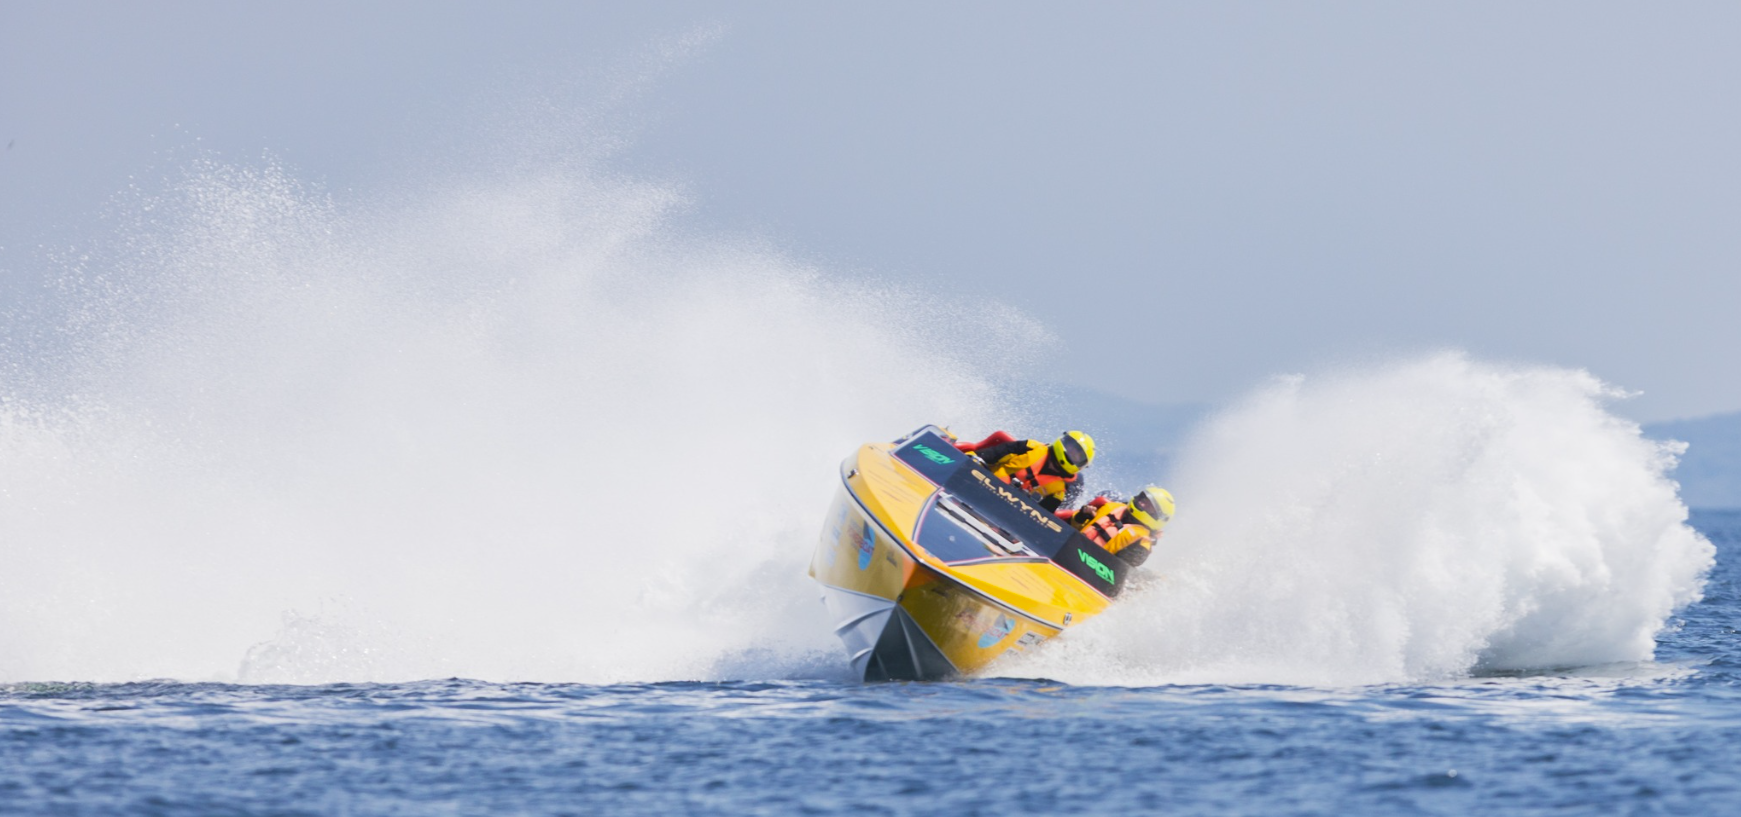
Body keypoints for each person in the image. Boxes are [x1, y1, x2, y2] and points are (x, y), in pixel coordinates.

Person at [955, 430, 1096, 512]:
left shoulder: (1059, 491)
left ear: (1081, 464)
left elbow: (1042, 520)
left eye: (1077, 455)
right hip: (978, 486)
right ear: (1064, 440)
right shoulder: (1031, 447)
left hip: (1003, 512)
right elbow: (990, 454)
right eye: (1071, 447)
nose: (1071, 453)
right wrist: (972, 461)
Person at [1064, 485, 1175, 567]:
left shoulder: (1143, 542)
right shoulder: (1112, 507)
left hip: (1085, 572)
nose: (1142, 503)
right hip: (1064, 551)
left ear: (1157, 517)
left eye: (1149, 506)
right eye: (1143, 499)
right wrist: (1081, 516)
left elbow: (1119, 573)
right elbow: (1072, 527)